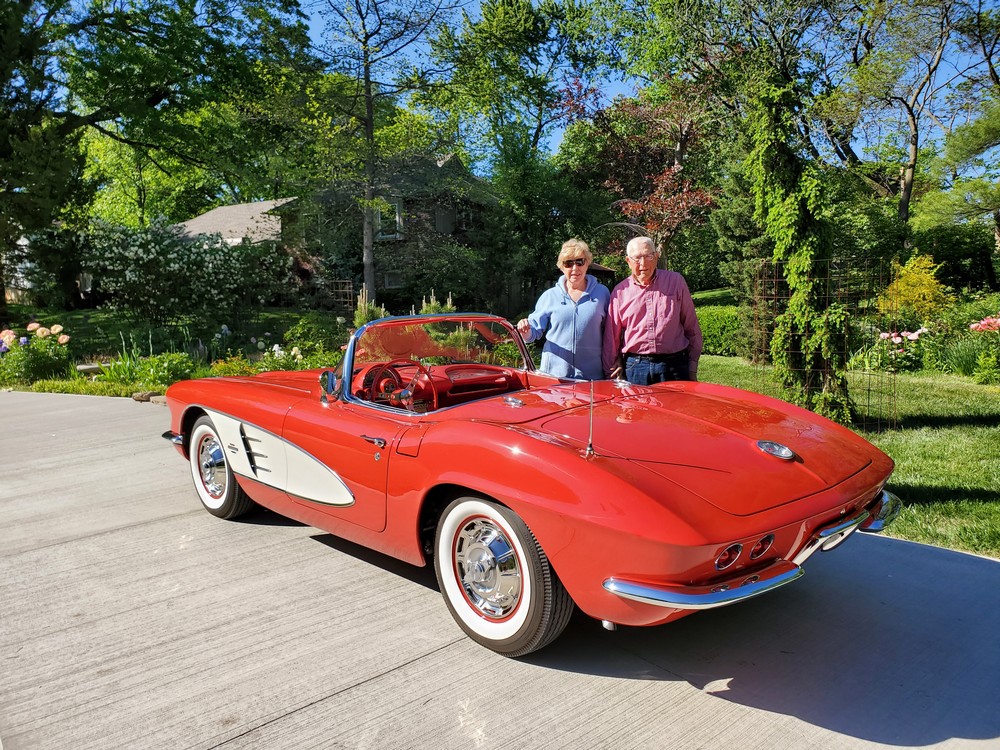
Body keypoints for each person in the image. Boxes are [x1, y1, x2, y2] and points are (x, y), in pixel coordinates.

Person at [602, 236, 703, 383]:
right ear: (628, 261)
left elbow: (692, 328)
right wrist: (610, 372)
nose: (643, 263)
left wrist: (692, 367)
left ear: (656, 256)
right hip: (635, 367)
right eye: (637, 258)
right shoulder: (620, 292)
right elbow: (611, 338)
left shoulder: (676, 282)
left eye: (648, 256)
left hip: (674, 365)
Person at [517, 239, 610, 380]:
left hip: (590, 377)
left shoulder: (602, 293)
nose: (575, 268)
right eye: (568, 263)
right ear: (562, 267)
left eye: (580, 262)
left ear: (587, 263)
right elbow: (533, 332)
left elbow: (611, 332)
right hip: (554, 376)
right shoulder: (550, 296)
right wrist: (525, 330)